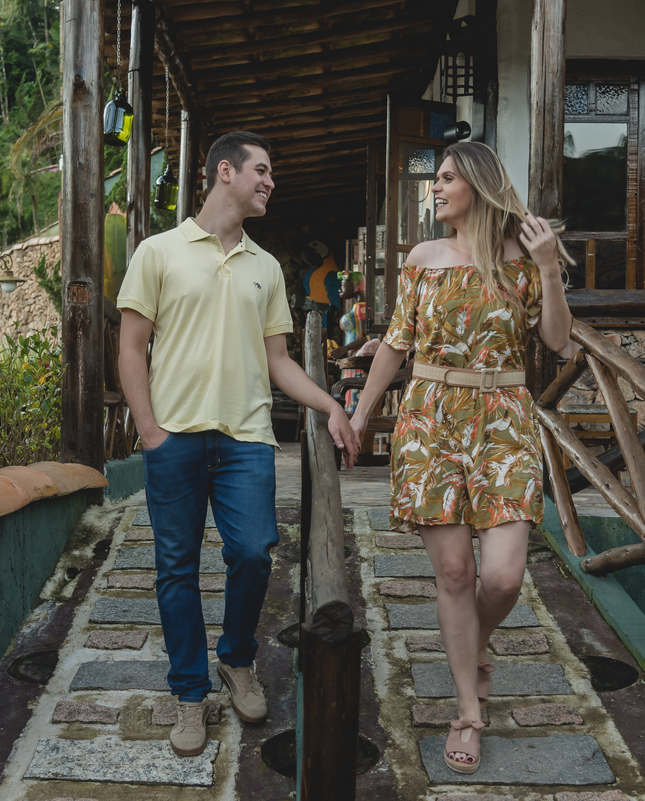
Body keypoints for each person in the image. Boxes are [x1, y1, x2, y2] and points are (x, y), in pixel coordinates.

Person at [117, 130, 360, 758]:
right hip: (174, 437)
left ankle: (237, 659)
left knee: (252, 553)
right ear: (225, 172)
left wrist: (330, 404)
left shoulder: (266, 267)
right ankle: (189, 694)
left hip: (246, 438)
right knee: (176, 569)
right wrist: (150, 432)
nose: (270, 182)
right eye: (262, 170)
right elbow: (131, 348)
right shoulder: (158, 252)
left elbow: (278, 360)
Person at [349, 141, 572, 774]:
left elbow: (558, 341)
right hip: (431, 421)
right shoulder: (423, 259)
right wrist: (362, 415)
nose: (436, 188)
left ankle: (473, 644)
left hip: (504, 422)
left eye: (446, 178)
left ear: (478, 184)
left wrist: (549, 270)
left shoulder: (524, 260)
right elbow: (396, 344)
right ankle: (468, 711)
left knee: (502, 577)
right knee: (453, 572)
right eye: (436, 180)